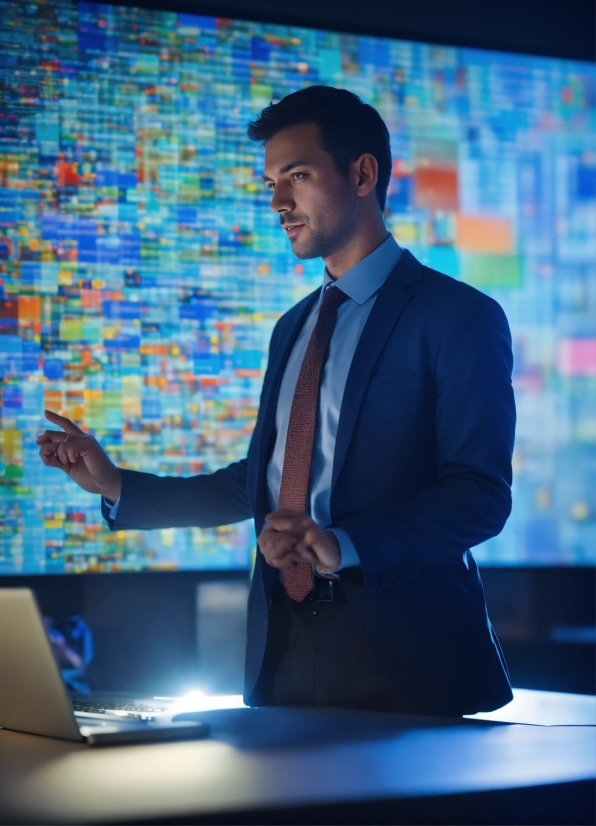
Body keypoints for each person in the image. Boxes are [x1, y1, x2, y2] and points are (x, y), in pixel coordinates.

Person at [38, 86, 515, 716]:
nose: (279, 203)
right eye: (270, 185)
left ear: (363, 172)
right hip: (281, 650)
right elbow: (259, 486)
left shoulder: (458, 317)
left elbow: (479, 496)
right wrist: (118, 485)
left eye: (296, 176)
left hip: (406, 657)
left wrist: (343, 542)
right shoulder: (293, 326)